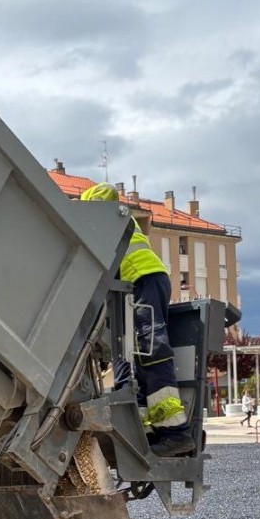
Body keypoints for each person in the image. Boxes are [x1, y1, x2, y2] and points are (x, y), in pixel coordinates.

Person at [80, 183, 194, 457]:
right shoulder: (115, 220)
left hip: (142, 281)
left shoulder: (109, 219)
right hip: (139, 285)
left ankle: (175, 432)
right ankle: (147, 432)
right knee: (129, 359)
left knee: (151, 351)